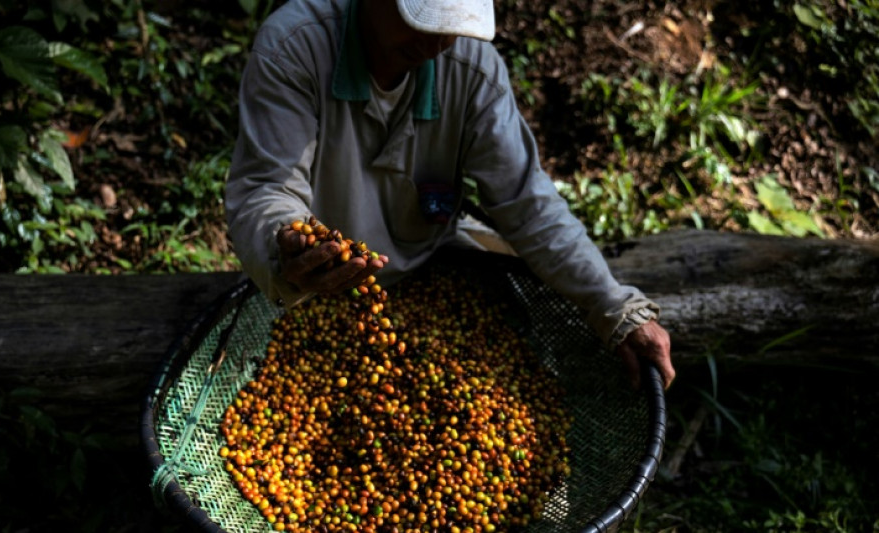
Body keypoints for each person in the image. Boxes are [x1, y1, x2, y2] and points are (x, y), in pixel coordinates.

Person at [225, 0, 676, 389]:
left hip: (433, 268)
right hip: (318, 298)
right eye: (420, 19)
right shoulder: (295, 45)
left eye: (450, 25)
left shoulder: (472, 69)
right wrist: (290, 246)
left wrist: (613, 304)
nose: (437, 41)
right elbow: (268, 188)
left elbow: (528, 204)